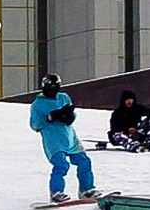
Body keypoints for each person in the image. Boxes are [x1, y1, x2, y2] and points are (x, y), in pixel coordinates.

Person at [30, 73, 101, 202]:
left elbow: (71, 114)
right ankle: (56, 192)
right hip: (53, 140)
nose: (53, 90)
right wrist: (50, 117)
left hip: (70, 138)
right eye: (51, 87)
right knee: (61, 164)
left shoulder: (63, 97)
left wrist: (69, 116)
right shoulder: (38, 104)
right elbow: (35, 124)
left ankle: (86, 189)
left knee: (84, 161)